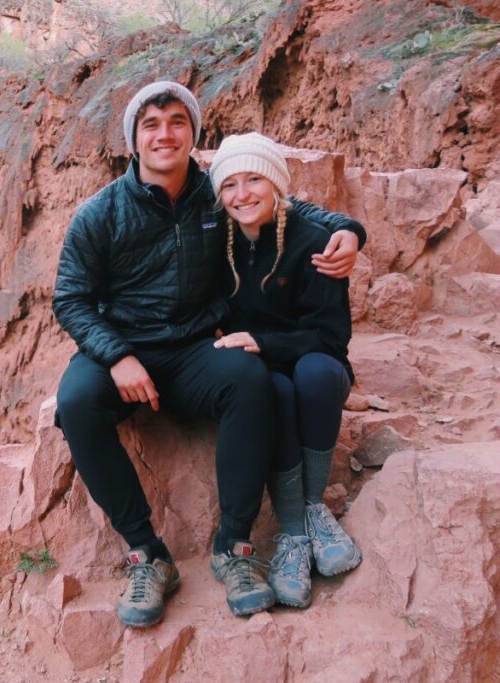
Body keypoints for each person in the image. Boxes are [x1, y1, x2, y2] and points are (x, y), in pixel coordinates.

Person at [52, 81, 365, 626]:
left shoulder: (214, 193)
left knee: (250, 378)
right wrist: (116, 354)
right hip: (125, 348)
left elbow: (283, 204)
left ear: (194, 134)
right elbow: (71, 299)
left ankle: (234, 548)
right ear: (134, 139)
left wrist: (350, 230)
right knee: (76, 402)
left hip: (196, 347)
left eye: (177, 121)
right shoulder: (99, 214)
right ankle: (147, 555)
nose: (165, 134)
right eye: (151, 124)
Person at [210, 133, 361, 609]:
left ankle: (316, 509)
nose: (242, 194)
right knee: (268, 389)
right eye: (230, 184)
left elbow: (332, 337)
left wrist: (264, 341)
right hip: (261, 371)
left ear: (275, 183)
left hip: (315, 361)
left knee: (314, 375)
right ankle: (293, 531)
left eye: (254, 178)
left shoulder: (316, 241)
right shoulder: (217, 243)